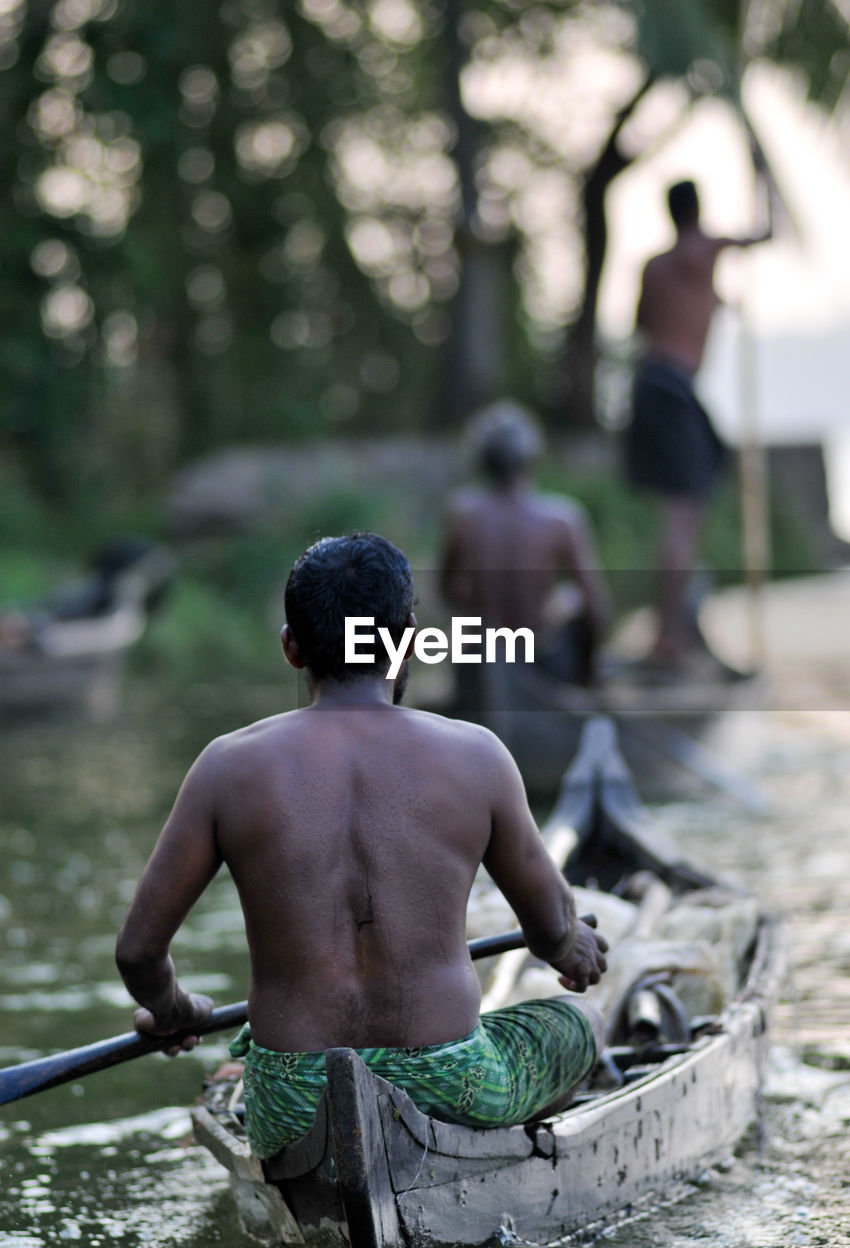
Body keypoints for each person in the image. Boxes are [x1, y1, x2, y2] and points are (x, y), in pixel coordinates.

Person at [115, 533, 608, 1159]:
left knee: (267, 1087)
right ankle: (488, 1154)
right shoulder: (478, 755)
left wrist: (174, 1007)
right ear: (407, 639)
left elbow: (137, 952)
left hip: (295, 1095)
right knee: (577, 1026)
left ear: (292, 646)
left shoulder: (226, 767)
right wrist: (575, 947)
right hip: (449, 1078)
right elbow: (548, 929)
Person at [625, 173, 773, 670]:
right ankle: (669, 633)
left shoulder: (656, 266)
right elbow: (766, 231)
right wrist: (761, 170)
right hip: (671, 388)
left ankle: (677, 621)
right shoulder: (701, 248)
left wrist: (710, 302)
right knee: (682, 514)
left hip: (654, 385)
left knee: (692, 499)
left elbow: (645, 323)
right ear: (698, 210)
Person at [439, 401, 608, 688]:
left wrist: (478, 609)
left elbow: (445, 588)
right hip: (541, 657)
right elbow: (596, 606)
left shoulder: (463, 514)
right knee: (573, 597)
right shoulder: (562, 518)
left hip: (484, 655)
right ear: (530, 459)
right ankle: (585, 685)